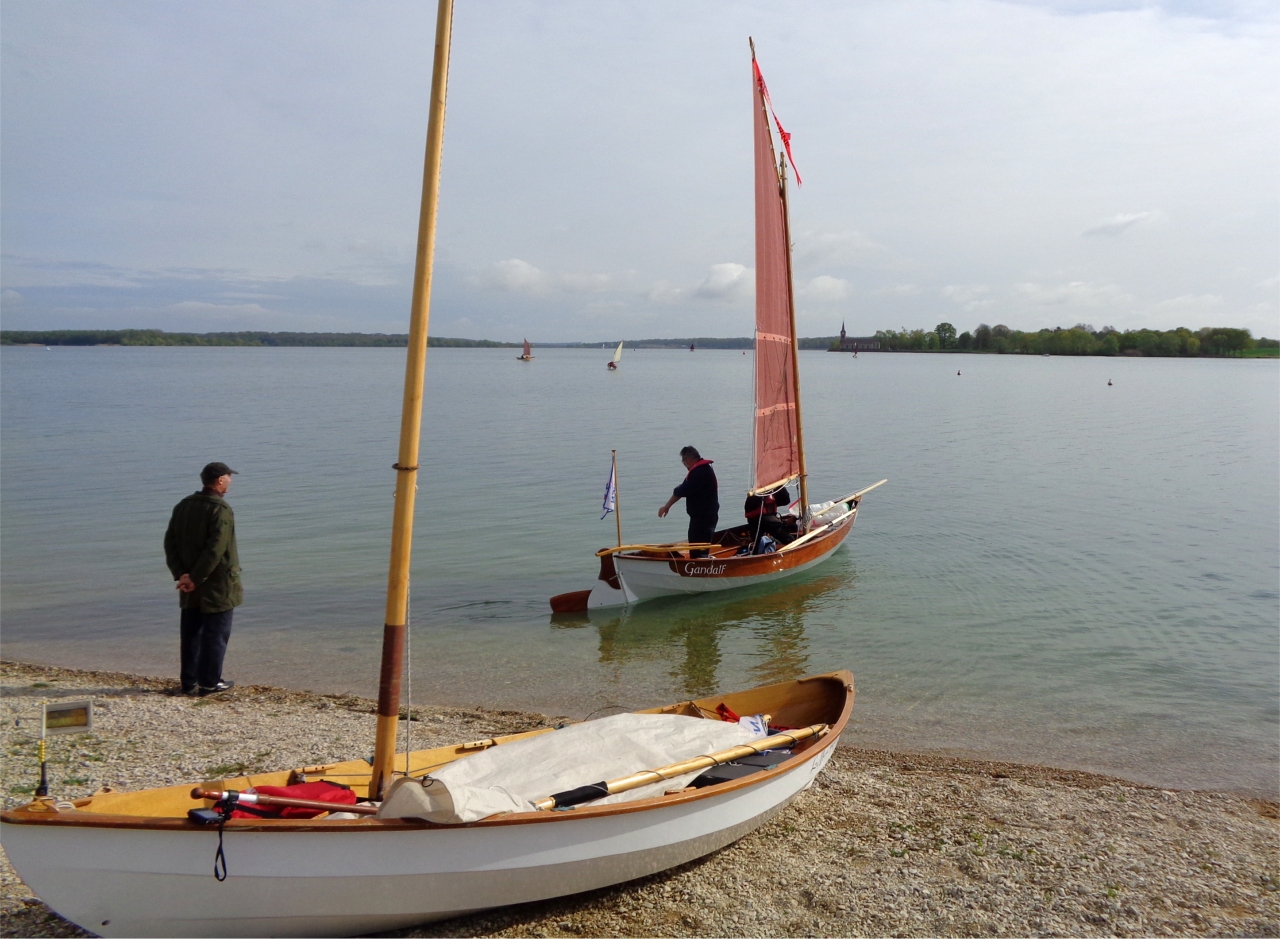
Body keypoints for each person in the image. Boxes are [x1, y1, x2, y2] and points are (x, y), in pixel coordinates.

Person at [164, 462, 242, 696]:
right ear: (220, 480)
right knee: (215, 635)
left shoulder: (183, 506)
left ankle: (189, 682)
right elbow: (216, 549)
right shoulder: (220, 509)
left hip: (189, 583)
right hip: (217, 585)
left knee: (190, 634)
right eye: (229, 477)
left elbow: (170, 543)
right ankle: (209, 683)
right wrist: (196, 578)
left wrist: (182, 575)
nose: (231, 481)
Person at [658, 446, 718, 557]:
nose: (684, 465)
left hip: (704, 519)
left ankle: (700, 570)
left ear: (688, 460)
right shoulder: (699, 470)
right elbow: (682, 490)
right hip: (700, 518)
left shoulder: (700, 472)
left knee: (699, 550)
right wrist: (667, 506)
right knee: (696, 547)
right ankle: (699, 565)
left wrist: (667, 505)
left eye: (683, 461)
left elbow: (682, 490)